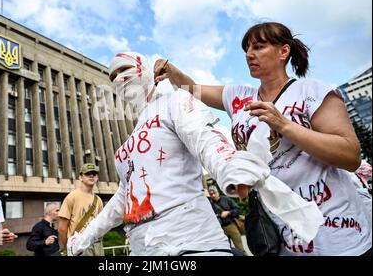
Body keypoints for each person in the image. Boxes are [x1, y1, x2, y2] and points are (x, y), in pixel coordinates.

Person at [154, 21, 372, 256]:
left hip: (339, 236)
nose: (249, 54)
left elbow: (350, 155)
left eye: (258, 47)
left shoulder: (313, 92)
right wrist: (172, 72)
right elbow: (193, 89)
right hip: (284, 238)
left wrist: (284, 125)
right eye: (247, 49)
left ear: (283, 51)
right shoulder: (238, 97)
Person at [67, 51, 277, 256]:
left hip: (191, 241)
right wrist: (84, 237)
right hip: (143, 248)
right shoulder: (128, 144)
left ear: (146, 70)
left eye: (124, 70)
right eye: (112, 77)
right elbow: (124, 197)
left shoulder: (175, 101)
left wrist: (229, 163)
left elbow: (202, 137)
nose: (119, 79)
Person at [59, 163, 104, 256]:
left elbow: (101, 224)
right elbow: (62, 229)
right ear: (80, 178)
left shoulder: (98, 200)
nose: (91, 175)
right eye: (87, 173)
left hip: (97, 244)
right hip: (79, 247)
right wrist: (70, 248)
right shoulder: (72, 196)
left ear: (97, 178)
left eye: (94, 173)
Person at [208, 185, 246, 255]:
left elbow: (238, 210)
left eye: (214, 193)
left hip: (231, 226)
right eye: (211, 194)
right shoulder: (209, 204)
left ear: (218, 192)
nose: (213, 195)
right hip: (219, 229)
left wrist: (228, 212)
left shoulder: (226, 199)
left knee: (240, 249)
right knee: (226, 252)